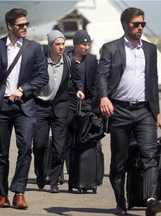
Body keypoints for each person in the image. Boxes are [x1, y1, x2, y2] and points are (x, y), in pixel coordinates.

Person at [0, 8, 48, 209]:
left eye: (26, 24)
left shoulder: (34, 48)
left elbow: (42, 76)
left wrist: (23, 89)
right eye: (21, 25)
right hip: (1, 106)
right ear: (10, 26)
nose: (25, 28)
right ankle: (3, 193)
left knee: (25, 148)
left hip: (25, 107)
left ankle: (19, 192)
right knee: (1, 153)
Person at [96, 7, 161, 216]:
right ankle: (120, 203)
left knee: (150, 157)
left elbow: (153, 80)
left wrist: (156, 112)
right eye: (136, 24)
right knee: (119, 160)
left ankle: (151, 200)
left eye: (142, 24)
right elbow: (102, 76)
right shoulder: (111, 48)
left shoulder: (150, 49)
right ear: (125, 25)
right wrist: (104, 96)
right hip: (120, 110)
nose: (140, 27)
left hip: (144, 110)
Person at [33, 30, 71, 193]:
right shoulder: (40, 62)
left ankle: (55, 180)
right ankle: (41, 172)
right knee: (39, 145)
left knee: (59, 147)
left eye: (63, 44)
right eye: (58, 44)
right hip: (41, 107)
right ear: (50, 46)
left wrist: (79, 90)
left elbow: (76, 80)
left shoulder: (68, 62)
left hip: (60, 109)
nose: (61, 47)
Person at [65, 30, 99, 172]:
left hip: (87, 102)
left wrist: (94, 101)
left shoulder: (92, 59)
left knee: (87, 135)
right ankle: (68, 168)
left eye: (88, 44)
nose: (86, 47)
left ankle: (85, 169)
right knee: (68, 136)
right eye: (84, 45)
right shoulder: (67, 58)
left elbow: (96, 82)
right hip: (69, 102)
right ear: (76, 45)